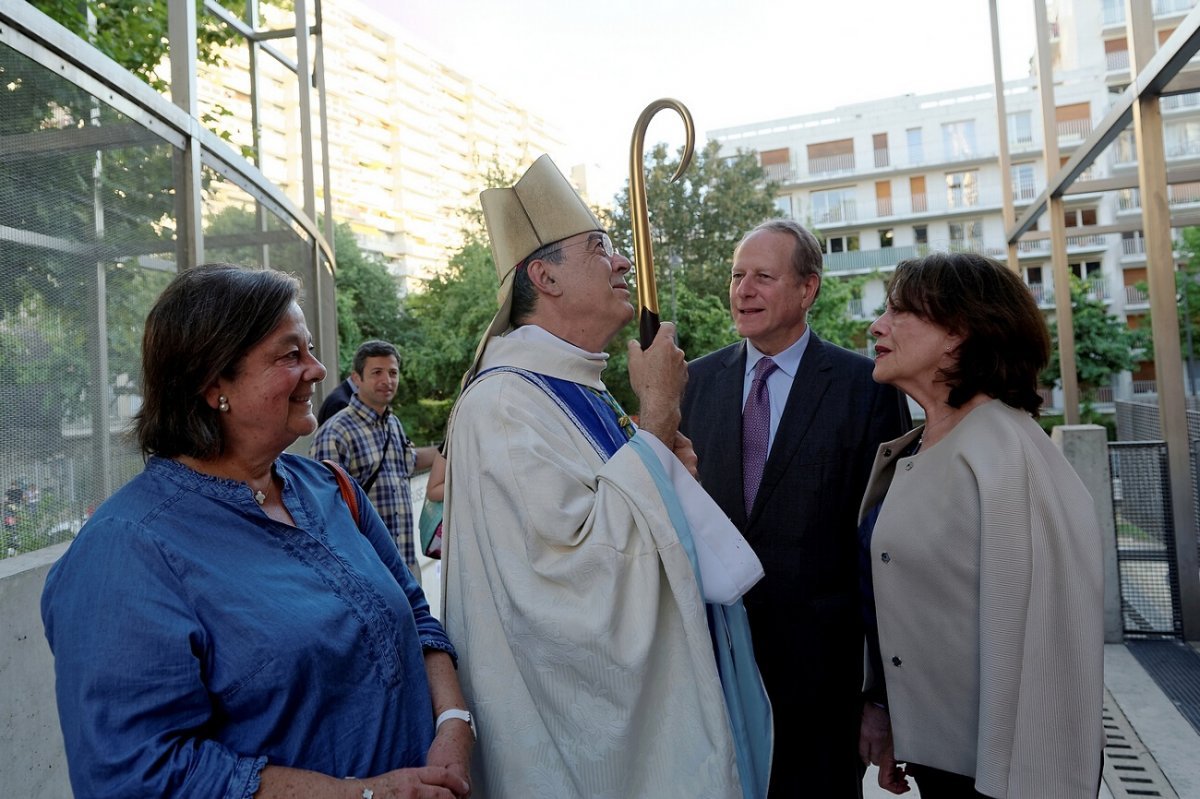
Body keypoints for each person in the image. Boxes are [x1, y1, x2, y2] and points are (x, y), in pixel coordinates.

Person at [41, 264, 473, 799]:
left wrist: (454, 724)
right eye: (290, 355)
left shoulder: (329, 488)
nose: (317, 371)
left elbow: (415, 615)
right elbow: (139, 774)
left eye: (309, 350)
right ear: (212, 383)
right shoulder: (125, 551)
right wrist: (363, 794)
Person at [442, 154, 769, 798]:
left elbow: (622, 516)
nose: (622, 262)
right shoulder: (504, 403)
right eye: (600, 248)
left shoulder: (575, 387)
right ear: (544, 276)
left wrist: (667, 471)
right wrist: (656, 416)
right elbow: (568, 584)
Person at [858, 251, 1103, 798]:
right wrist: (902, 722)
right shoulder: (927, 441)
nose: (877, 326)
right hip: (944, 759)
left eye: (900, 311)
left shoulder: (1006, 451)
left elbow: (1047, 642)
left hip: (1003, 774)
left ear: (959, 333)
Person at [680, 218, 911, 798]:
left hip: (823, 695)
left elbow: (884, 554)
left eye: (763, 276)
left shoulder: (869, 389)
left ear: (808, 289)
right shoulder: (691, 384)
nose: (743, 290)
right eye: (737, 276)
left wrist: (879, 699)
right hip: (714, 678)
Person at [312, 340, 437, 581]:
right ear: (356, 378)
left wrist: (452, 445)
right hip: (368, 571)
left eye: (393, 372)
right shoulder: (336, 433)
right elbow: (325, 510)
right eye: (376, 372)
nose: (387, 381)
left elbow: (409, 462)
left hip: (406, 565)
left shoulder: (393, 423)